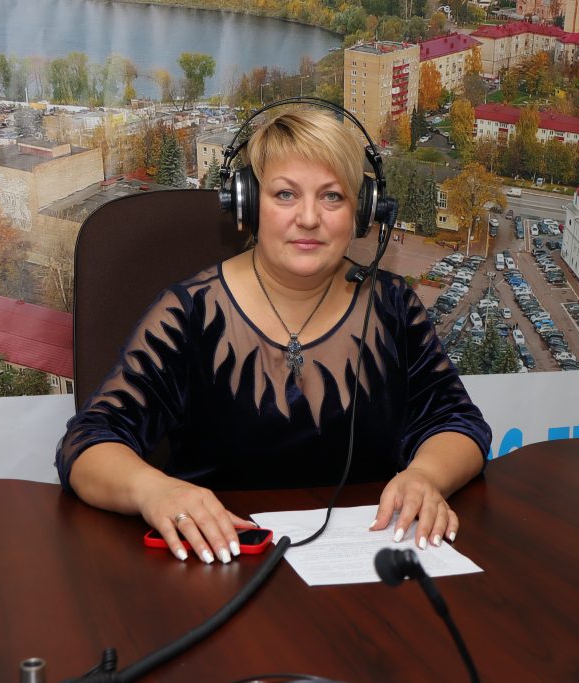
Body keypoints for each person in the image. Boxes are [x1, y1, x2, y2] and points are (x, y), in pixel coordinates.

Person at [56, 106, 491, 566]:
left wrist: (426, 477)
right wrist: (154, 490)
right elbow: (88, 444)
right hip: (222, 565)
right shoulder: (190, 313)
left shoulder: (392, 306)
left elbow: (458, 423)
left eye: (332, 197)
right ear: (247, 204)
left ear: (362, 212)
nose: (309, 218)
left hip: (367, 565)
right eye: (285, 194)